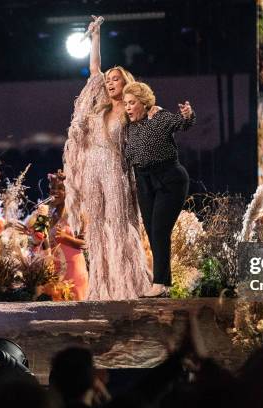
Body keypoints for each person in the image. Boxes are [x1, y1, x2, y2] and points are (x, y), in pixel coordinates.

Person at [63, 16, 151, 300]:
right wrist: (96, 35)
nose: (111, 82)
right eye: (109, 80)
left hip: (114, 169)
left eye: (116, 79)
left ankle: (128, 284)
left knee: (120, 222)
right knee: (97, 227)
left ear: (126, 85)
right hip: (92, 168)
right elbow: (94, 69)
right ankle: (100, 288)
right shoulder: (99, 109)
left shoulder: (128, 112)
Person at [123, 81, 195, 297]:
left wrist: (187, 114)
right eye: (126, 103)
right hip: (144, 183)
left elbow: (182, 124)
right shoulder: (130, 127)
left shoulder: (159, 116)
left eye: (132, 103)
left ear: (144, 103)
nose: (128, 108)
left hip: (169, 180)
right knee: (153, 234)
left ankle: (159, 283)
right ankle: (164, 284)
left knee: (160, 230)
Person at [47, 171, 89, 301]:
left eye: (60, 188)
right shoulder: (50, 215)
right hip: (56, 271)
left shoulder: (77, 214)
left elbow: (86, 243)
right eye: (53, 188)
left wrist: (66, 237)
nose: (55, 191)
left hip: (74, 270)